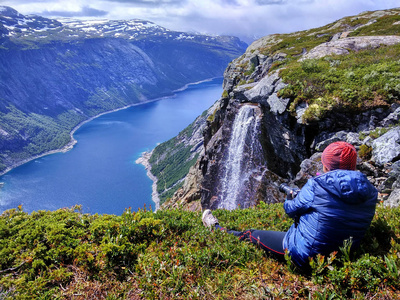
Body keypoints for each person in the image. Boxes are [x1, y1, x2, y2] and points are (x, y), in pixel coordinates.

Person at [202, 141, 378, 269]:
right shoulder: (371, 192)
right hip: (343, 258)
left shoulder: (317, 185)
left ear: (326, 166)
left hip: (306, 257)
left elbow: (290, 210)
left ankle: (216, 228)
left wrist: (289, 197)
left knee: (250, 234)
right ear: (353, 166)